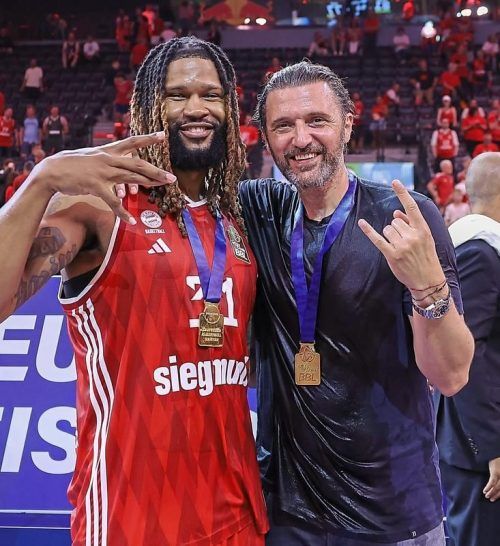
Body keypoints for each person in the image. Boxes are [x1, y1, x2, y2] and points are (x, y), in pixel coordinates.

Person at [0, 37, 268, 546]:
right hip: (133, 518)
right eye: (177, 95)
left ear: (230, 110)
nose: (196, 108)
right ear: (148, 106)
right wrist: (41, 182)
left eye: (211, 95)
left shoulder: (233, 220)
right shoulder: (100, 203)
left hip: (238, 516)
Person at [242, 60, 473, 545]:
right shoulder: (261, 211)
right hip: (289, 515)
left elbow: (451, 375)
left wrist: (427, 287)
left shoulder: (403, 216)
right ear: (266, 139)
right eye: (283, 126)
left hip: (394, 513)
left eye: (317, 121)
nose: (301, 139)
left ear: (348, 124)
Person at [435, 151, 500, 546]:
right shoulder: (480, 251)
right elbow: (466, 356)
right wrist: (492, 447)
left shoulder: (477, 247)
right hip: (482, 454)